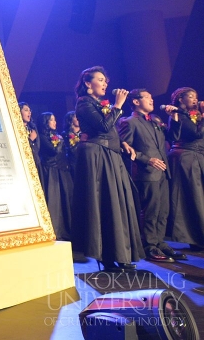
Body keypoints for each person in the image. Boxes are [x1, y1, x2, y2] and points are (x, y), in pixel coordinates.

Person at [72, 66, 143, 272]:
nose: (105, 84)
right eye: (100, 80)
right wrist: (118, 105)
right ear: (88, 83)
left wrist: (122, 143)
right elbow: (102, 127)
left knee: (118, 203)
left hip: (110, 154)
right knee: (105, 203)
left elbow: (109, 129)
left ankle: (120, 252)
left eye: (105, 80)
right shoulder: (84, 103)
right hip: (97, 155)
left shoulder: (98, 103)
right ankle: (108, 255)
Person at [117, 89, 185, 263]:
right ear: (136, 101)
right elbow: (124, 147)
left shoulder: (155, 120)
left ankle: (159, 242)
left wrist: (174, 118)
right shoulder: (129, 122)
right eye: (147, 97)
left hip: (163, 171)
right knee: (151, 210)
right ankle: (149, 245)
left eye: (151, 97)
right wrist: (147, 160)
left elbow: (173, 136)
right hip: (147, 172)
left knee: (164, 210)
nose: (151, 99)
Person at [166, 87, 204, 252]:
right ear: (181, 99)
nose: (195, 100)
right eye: (191, 96)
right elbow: (195, 133)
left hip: (198, 156)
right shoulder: (179, 115)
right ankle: (197, 236)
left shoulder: (194, 115)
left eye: (196, 97)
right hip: (187, 157)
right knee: (194, 198)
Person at [37, 112, 74, 241]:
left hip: (62, 169)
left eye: (55, 120)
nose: (54, 122)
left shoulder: (56, 136)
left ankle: (68, 230)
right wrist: (60, 142)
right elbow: (53, 151)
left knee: (67, 200)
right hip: (51, 170)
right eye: (51, 120)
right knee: (55, 202)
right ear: (46, 122)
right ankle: (55, 231)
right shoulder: (42, 136)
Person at [19, 102, 41, 174]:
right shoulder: (17, 129)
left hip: (35, 161)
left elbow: (37, 146)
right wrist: (30, 139)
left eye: (30, 110)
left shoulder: (32, 127)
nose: (29, 112)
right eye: (26, 110)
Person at [62, 111, 81, 181]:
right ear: (71, 121)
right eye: (76, 117)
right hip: (73, 163)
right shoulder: (66, 134)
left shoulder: (84, 132)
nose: (78, 118)